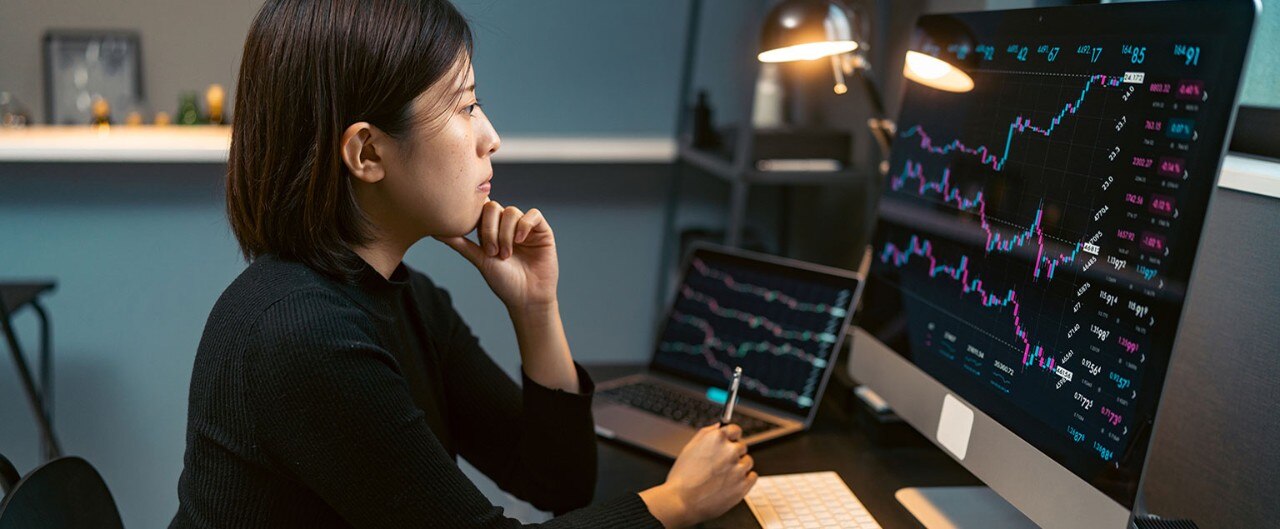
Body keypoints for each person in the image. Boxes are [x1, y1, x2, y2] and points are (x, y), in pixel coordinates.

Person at [169, 0, 756, 527]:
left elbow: (559, 483)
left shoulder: (405, 296)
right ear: (367, 152)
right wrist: (676, 502)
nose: (491, 136)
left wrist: (534, 308)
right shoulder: (299, 335)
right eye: (465, 106)